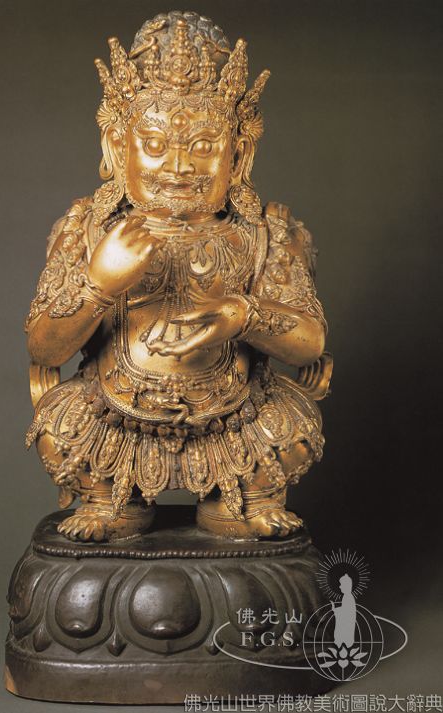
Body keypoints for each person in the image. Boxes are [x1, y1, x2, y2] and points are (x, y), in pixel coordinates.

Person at [24, 11, 331, 542]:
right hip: (112, 415)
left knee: (292, 430)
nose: (180, 166)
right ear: (116, 145)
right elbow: (45, 347)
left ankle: (245, 500)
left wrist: (243, 315)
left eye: (205, 147)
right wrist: (98, 285)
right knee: (61, 428)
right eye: (155, 144)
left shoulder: (263, 233)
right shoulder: (89, 229)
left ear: (240, 153)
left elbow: (309, 343)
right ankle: (107, 501)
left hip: (235, 416)